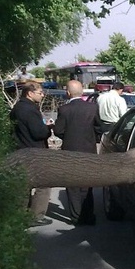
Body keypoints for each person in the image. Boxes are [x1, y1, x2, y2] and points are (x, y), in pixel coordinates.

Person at [53, 80, 103, 226]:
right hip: (89, 151)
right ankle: (89, 216)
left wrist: (68, 138)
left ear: (68, 93)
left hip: (70, 152)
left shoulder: (64, 109)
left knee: (72, 185)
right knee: (87, 184)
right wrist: (93, 138)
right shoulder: (92, 108)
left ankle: (76, 217)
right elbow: (99, 128)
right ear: (82, 92)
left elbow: (58, 131)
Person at [9, 81, 54, 227]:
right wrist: (48, 128)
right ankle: (36, 215)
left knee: (24, 184)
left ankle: (20, 215)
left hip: (21, 149)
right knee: (44, 183)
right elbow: (38, 132)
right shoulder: (29, 110)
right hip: (35, 151)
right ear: (30, 93)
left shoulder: (17, 108)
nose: (42, 95)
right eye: (40, 93)